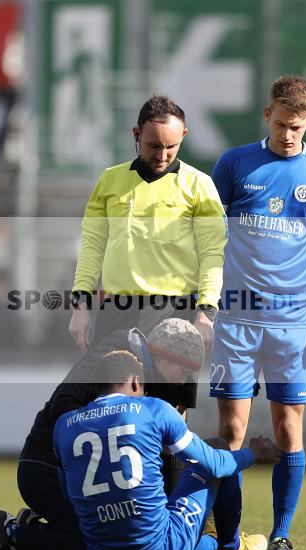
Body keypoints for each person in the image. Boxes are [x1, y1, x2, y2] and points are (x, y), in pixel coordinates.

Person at [208, 75, 306, 550]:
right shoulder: (233, 165)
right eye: (281, 123)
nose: (288, 134)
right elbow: (205, 241)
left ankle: (282, 535)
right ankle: (229, 534)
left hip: (293, 324)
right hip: (237, 321)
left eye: (298, 126)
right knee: (232, 431)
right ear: (267, 114)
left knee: (290, 429)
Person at [0, 319, 224, 550]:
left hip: (96, 477)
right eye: (182, 373)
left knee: (121, 542)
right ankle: (11, 533)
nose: (183, 382)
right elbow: (62, 405)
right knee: (103, 546)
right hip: (45, 468)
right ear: (161, 357)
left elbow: (172, 449)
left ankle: (34, 531)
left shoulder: (174, 377)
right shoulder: (112, 356)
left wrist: (168, 519)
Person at [51, 350, 280, 550]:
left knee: (161, 515)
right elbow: (215, 464)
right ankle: (232, 549)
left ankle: (210, 544)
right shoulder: (152, 408)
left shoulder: (64, 425)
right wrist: (253, 453)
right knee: (219, 449)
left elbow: (69, 493)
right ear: (135, 382)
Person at [68, 95, 226, 355]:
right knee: (112, 395)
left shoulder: (200, 186)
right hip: (116, 312)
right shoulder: (110, 181)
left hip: (177, 313)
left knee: (170, 398)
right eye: (153, 145)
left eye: (171, 146)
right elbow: (91, 247)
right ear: (136, 134)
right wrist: (80, 307)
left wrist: (206, 314)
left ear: (184, 135)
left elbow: (212, 255)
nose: (162, 155)